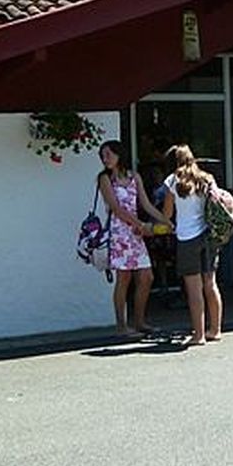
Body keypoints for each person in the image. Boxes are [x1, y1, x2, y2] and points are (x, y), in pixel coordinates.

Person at [97, 140, 170, 337]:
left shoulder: (134, 177)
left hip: (135, 233)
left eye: (109, 154)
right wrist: (140, 224)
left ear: (120, 155)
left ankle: (140, 321)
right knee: (124, 278)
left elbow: (145, 204)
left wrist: (165, 220)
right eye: (103, 155)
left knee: (146, 277)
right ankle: (122, 325)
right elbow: (116, 208)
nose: (106, 159)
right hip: (120, 232)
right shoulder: (105, 179)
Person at [161, 143, 224, 347]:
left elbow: (167, 215)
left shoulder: (172, 181)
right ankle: (215, 329)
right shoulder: (206, 178)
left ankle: (199, 334)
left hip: (187, 238)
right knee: (210, 284)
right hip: (208, 236)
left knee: (193, 289)